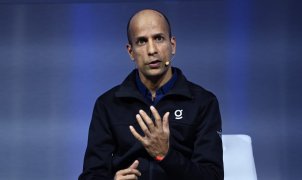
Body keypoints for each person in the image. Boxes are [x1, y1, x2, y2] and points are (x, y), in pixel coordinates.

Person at [79, 9, 223, 180]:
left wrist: (165, 155)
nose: (152, 49)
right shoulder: (108, 104)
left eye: (159, 38)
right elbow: (91, 174)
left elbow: (212, 177)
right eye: (141, 41)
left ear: (173, 45)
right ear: (131, 52)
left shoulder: (203, 102)